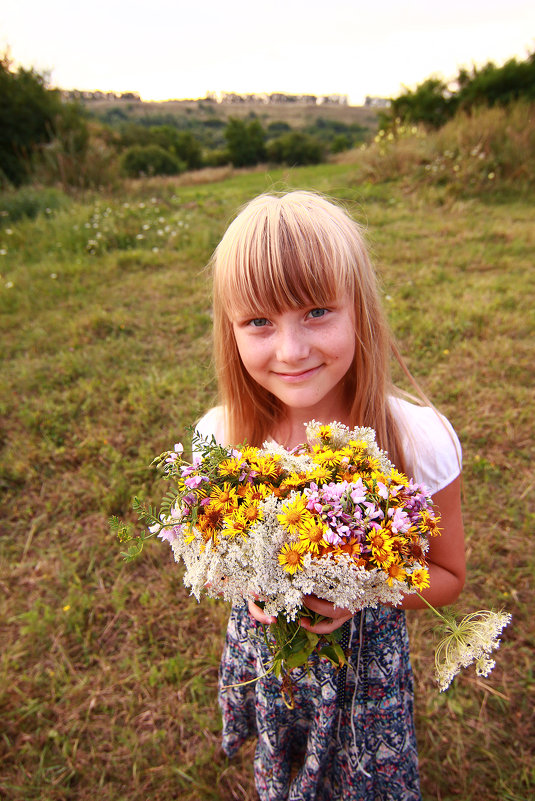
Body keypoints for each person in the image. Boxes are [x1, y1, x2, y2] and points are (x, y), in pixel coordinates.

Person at [195, 190, 465, 801]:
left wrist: (361, 589)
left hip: (367, 669)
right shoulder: (219, 440)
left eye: (317, 311)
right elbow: (206, 560)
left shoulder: (418, 439)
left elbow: (448, 573)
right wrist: (246, 581)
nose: (291, 350)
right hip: (268, 659)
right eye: (259, 321)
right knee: (283, 766)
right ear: (230, 331)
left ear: (360, 311)